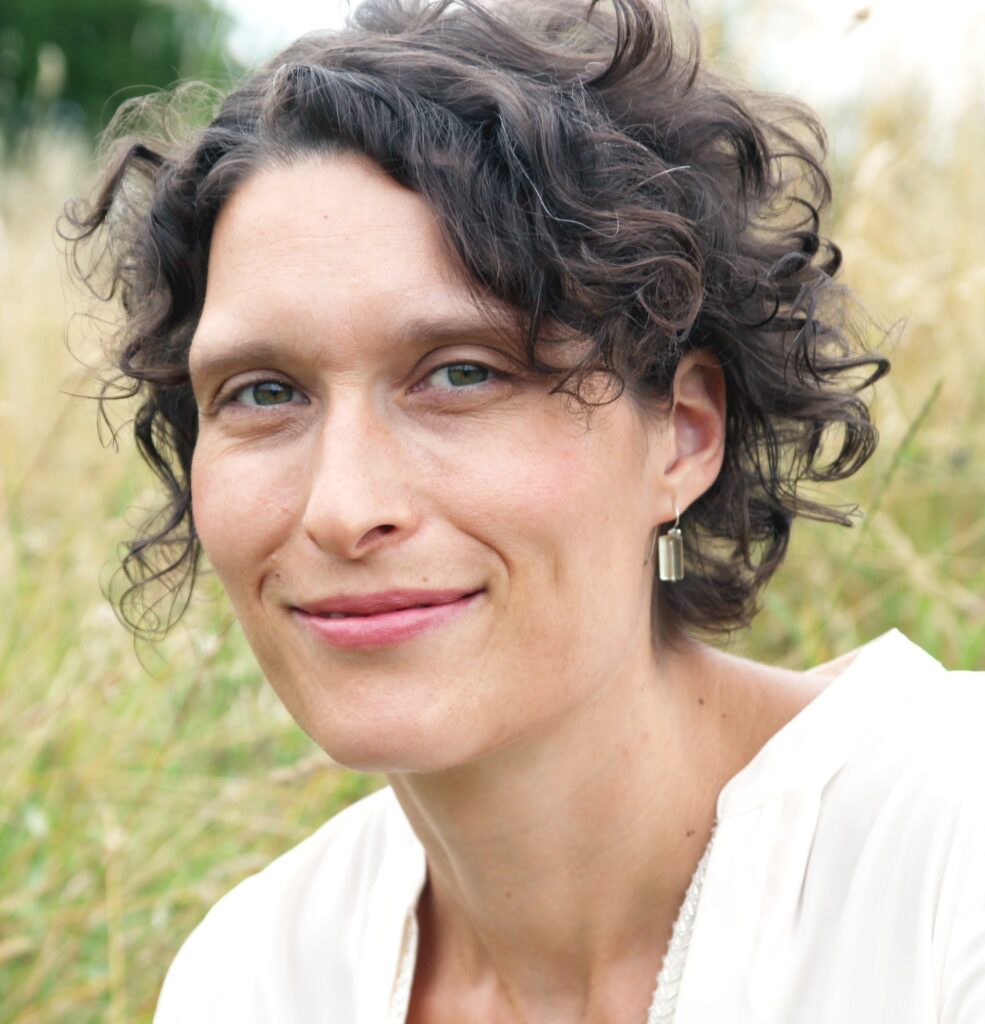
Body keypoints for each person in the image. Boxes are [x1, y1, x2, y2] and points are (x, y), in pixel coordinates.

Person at [67, 0, 985, 1021]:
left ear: (683, 432)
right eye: (264, 393)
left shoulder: (949, 853)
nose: (341, 509)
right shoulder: (257, 979)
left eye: (461, 373)